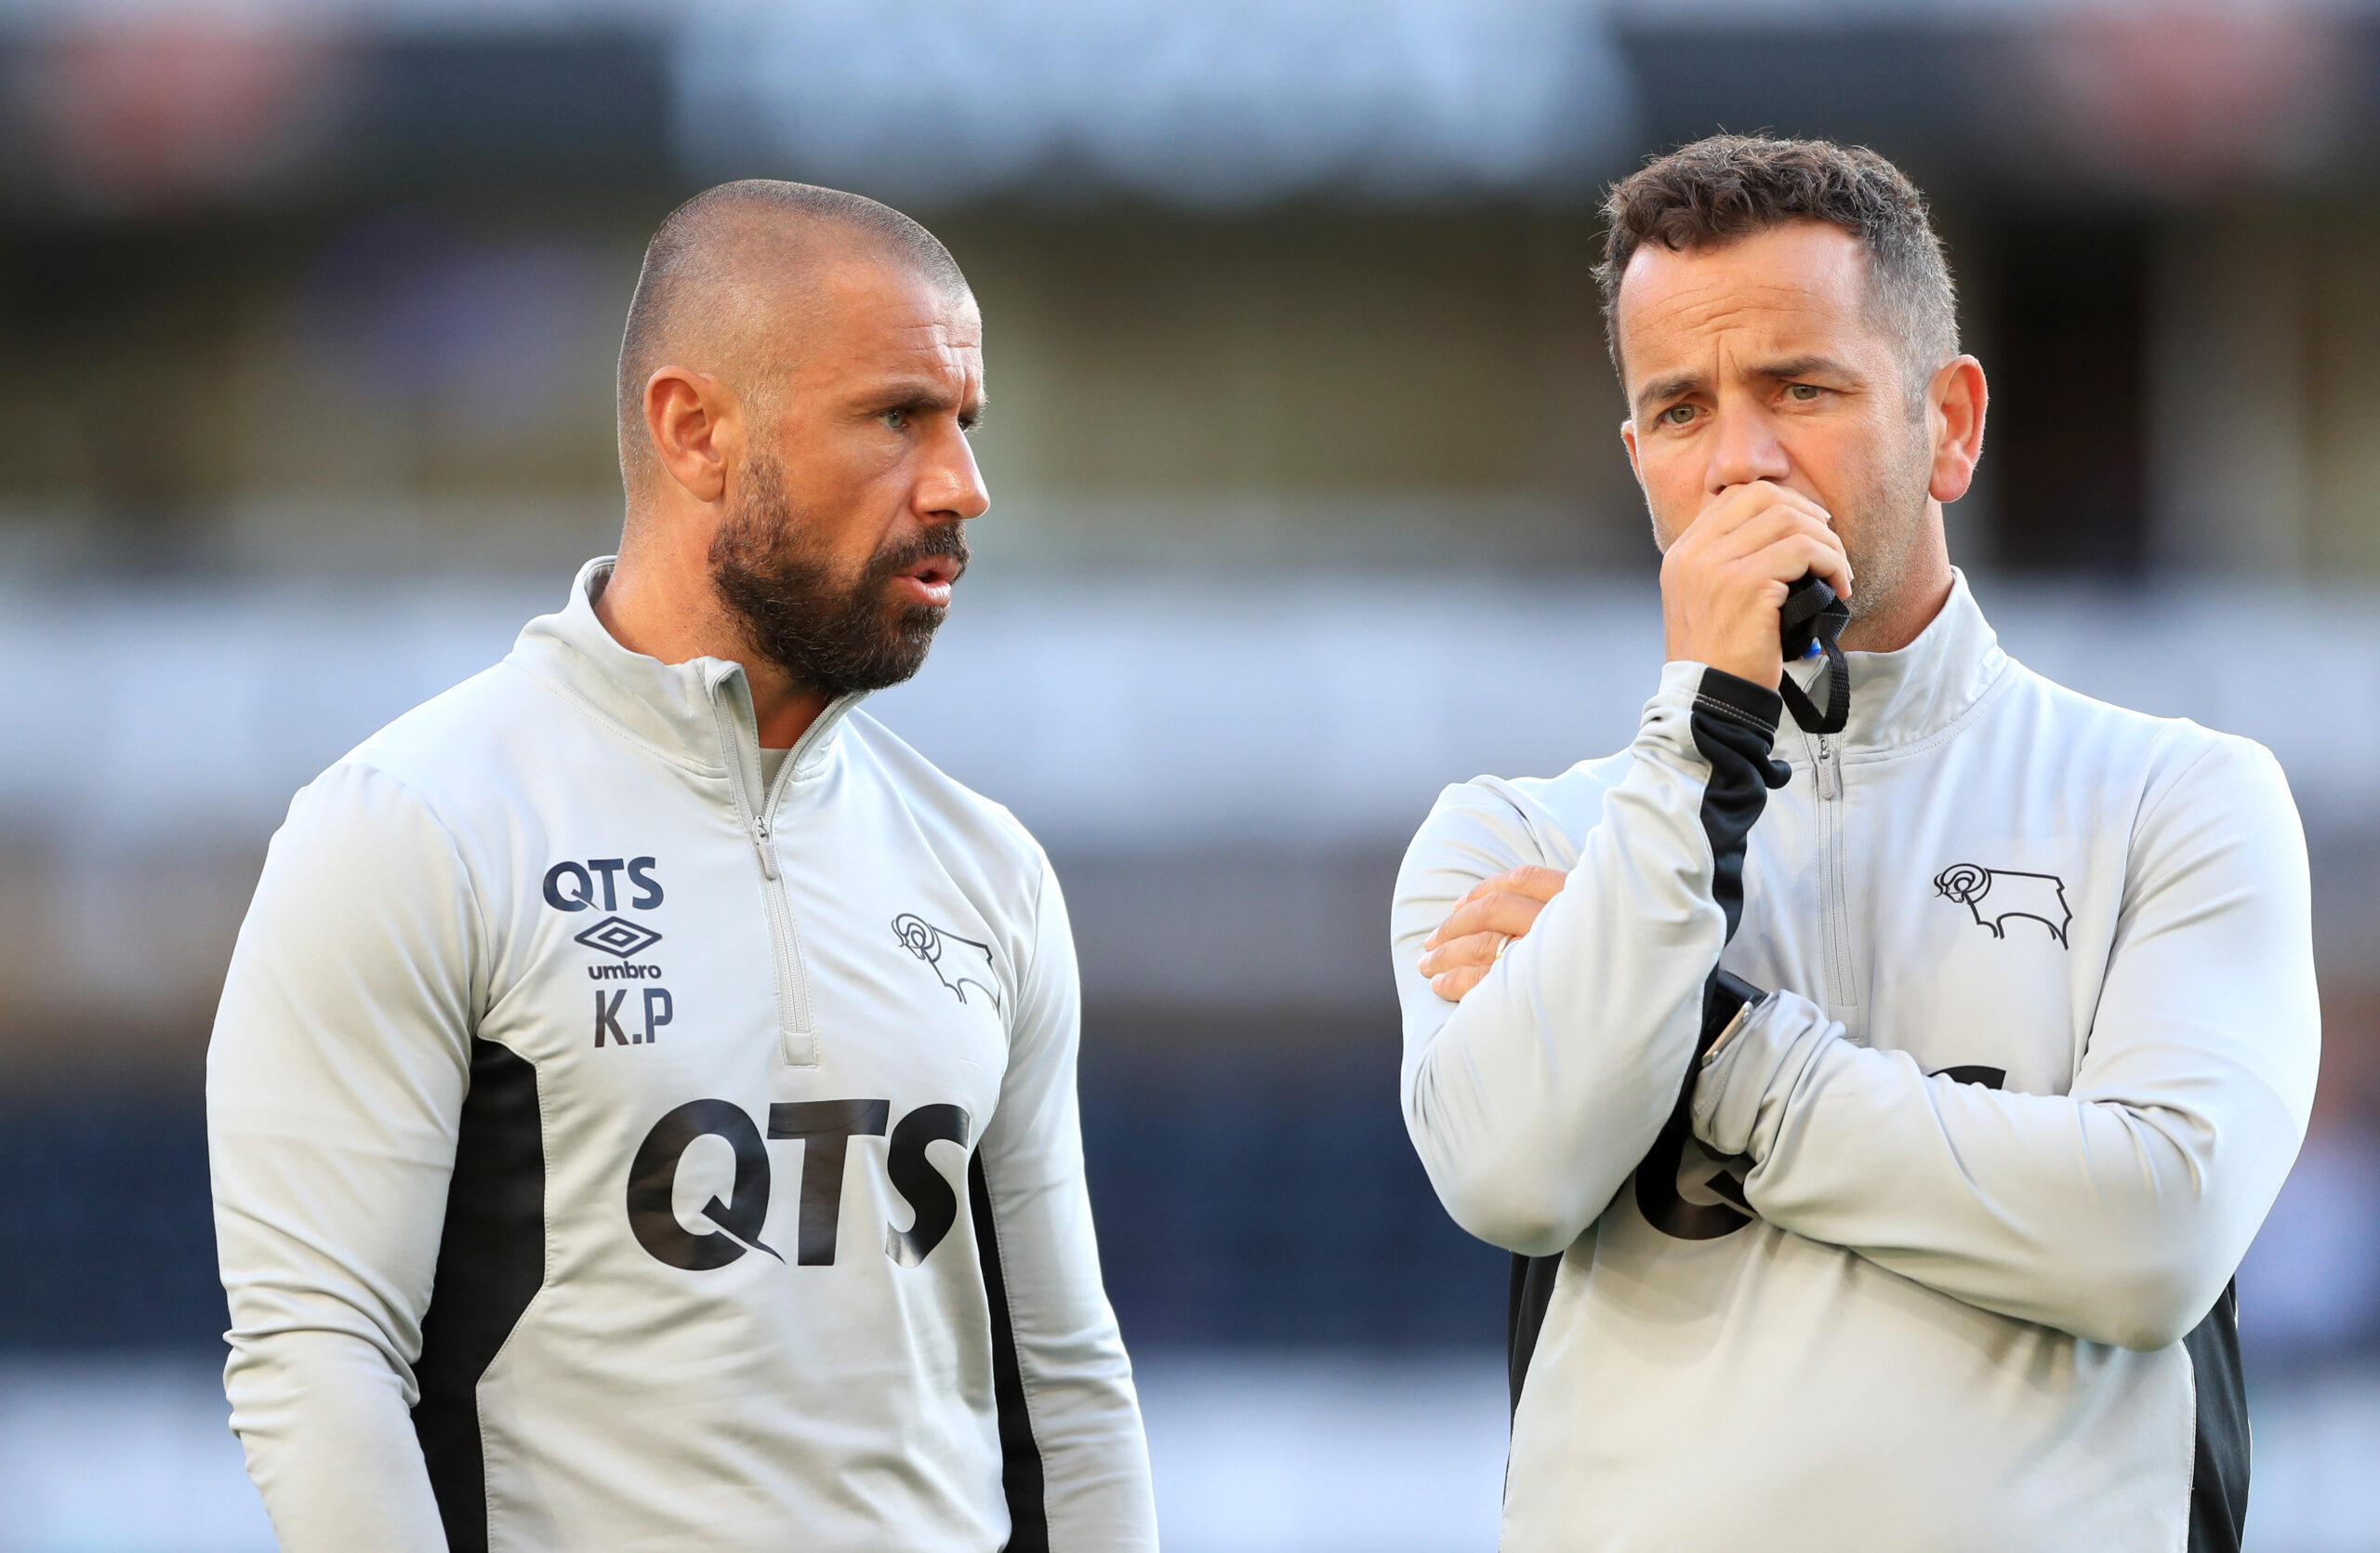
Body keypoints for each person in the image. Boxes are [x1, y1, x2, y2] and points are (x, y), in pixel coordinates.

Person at [1391, 136, 2317, 1552]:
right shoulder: (1511, 837)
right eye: (1681, 409)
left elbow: (2154, 1240)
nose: (1740, 462)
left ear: (1950, 424)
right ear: (1640, 461)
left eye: (1800, 390)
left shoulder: (2178, 799)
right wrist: (1701, 736)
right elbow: (1513, 1175)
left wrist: (1720, 1051)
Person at [208, 181, 1157, 1553]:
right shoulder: (414, 827)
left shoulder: (987, 868)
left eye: (966, 421)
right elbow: (317, 1354)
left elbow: (1065, 1382)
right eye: (899, 416)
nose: (963, 484)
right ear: (695, 429)